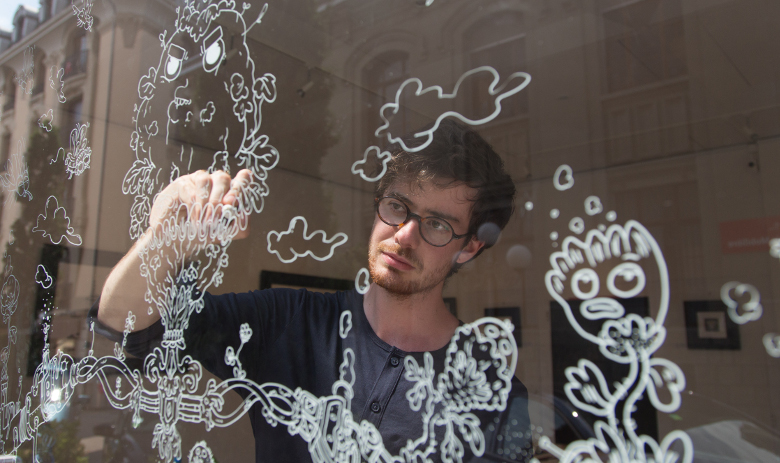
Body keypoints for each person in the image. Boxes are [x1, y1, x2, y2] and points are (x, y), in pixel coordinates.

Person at [93, 119, 532, 462]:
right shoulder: (289, 322)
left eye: (436, 224)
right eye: (397, 206)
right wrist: (166, 240)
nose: (403, 235)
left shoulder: (493, 393)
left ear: (469, 247)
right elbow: (128, 327)